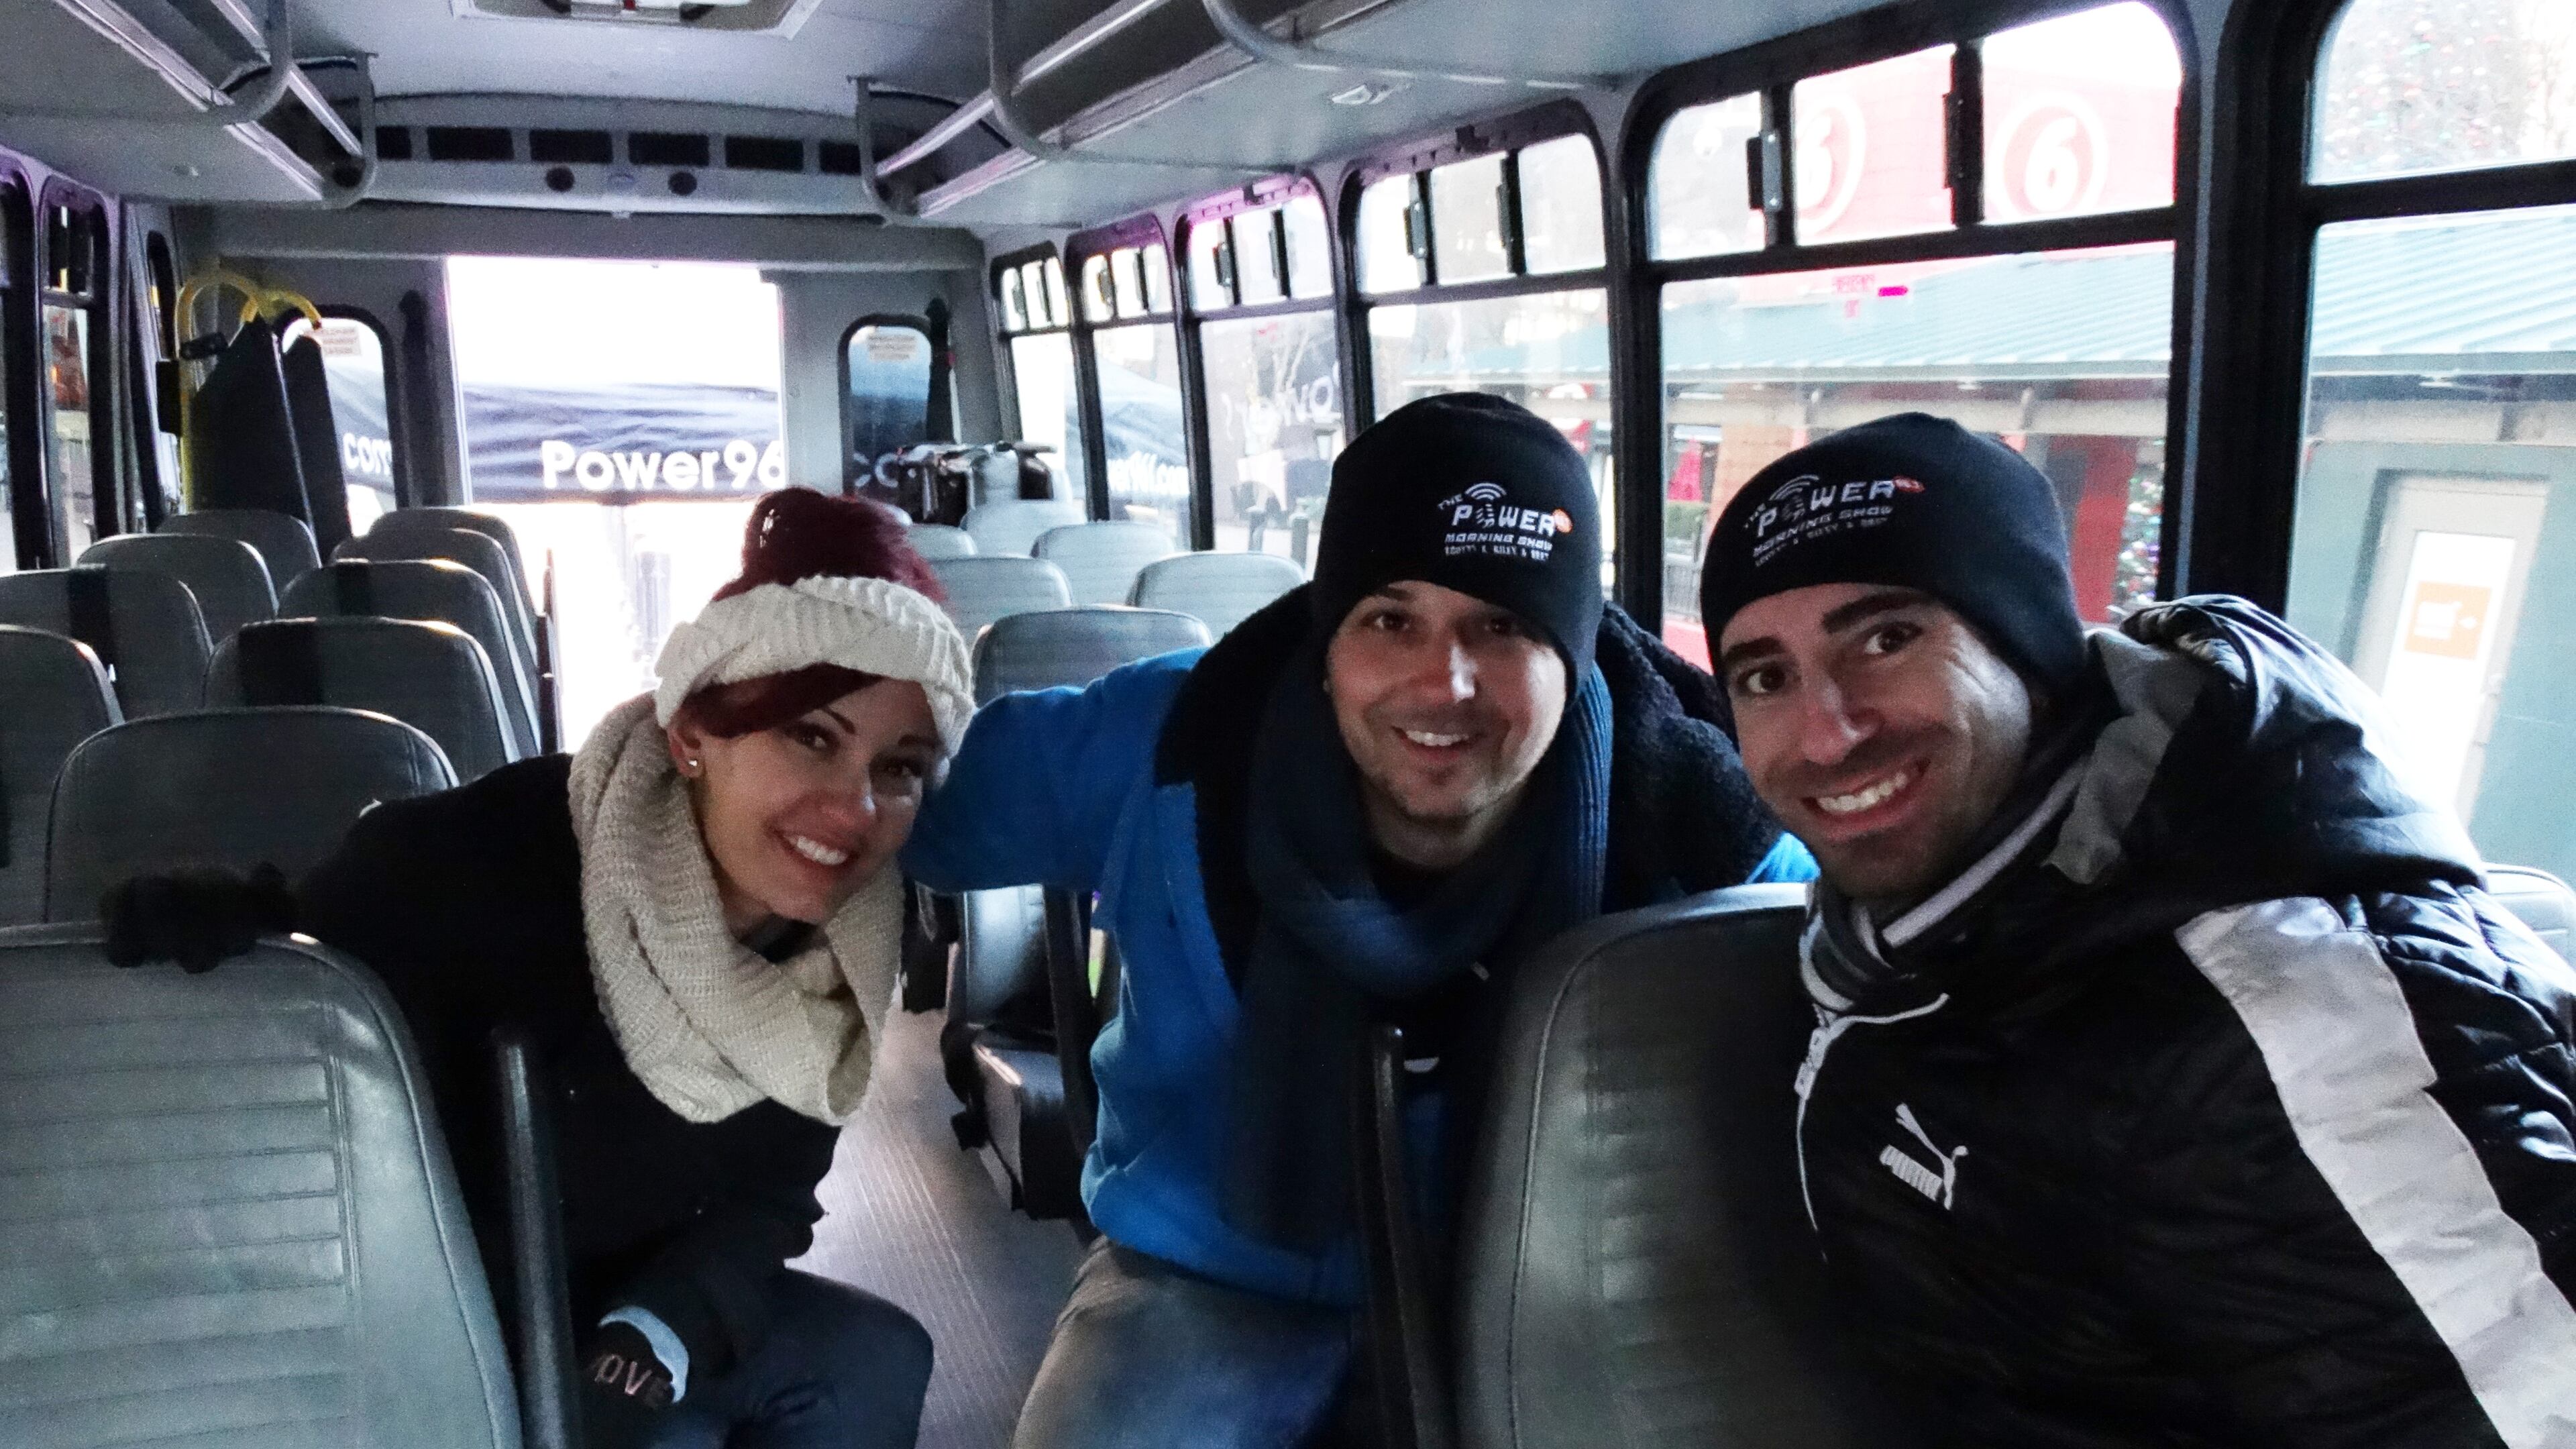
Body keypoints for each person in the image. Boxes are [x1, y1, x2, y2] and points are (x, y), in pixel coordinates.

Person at [902, 392, 1814, 1447]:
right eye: (1392, 619)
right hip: (1207, 1269)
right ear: (1328, 636)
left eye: (1503, 625)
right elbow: (915, 810)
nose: (1446, 682)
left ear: (1573, 647)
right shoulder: (1179, 741)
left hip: (1552, 1287)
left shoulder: (1704, 829)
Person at [1696, 413, 2576, 1446]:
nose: (1826, 731)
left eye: (1889, 639)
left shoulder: (2281, 1025)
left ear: (2029, 645)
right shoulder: (1948, 939)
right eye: (1764, 677)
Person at [106, 490, 971, 1449]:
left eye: (897, 769)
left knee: (871, 1360)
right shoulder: (487, 856)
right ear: (692, 735)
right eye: (811, 737)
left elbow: (767, 1200)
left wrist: (653, 1337)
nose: (854, 811)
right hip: (416, 1307)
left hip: (610, 1306)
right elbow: (314, 973)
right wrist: (241, 929)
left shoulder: (842, 954)